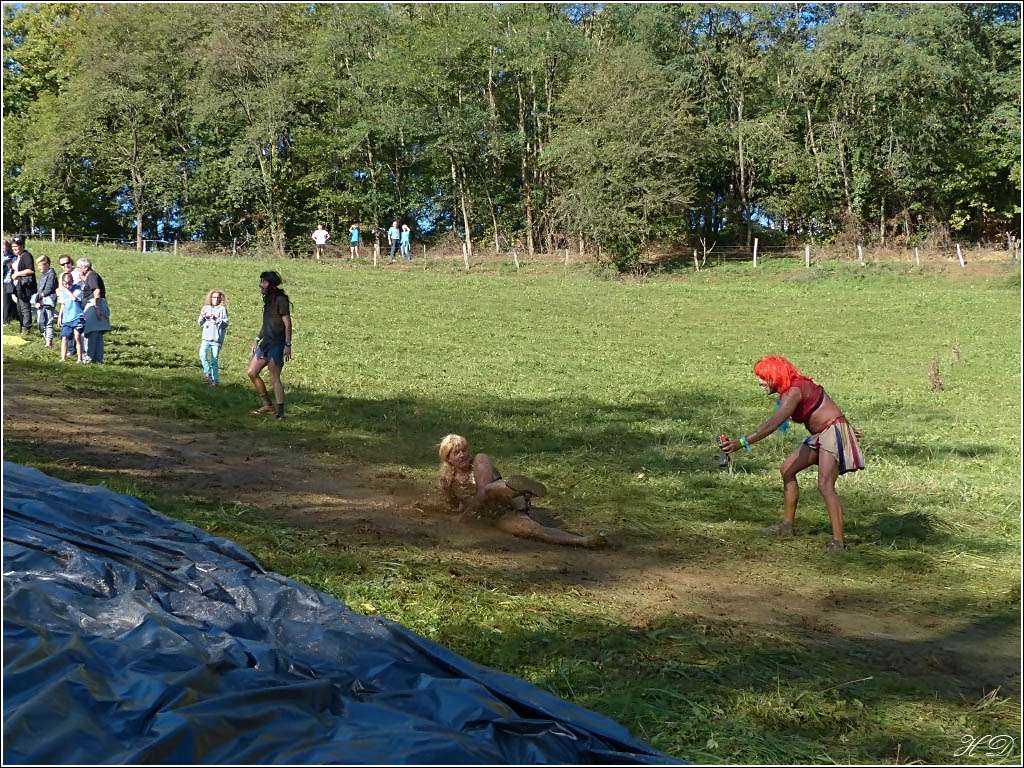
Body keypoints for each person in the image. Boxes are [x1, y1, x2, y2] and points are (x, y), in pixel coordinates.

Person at [720, 356, 864, 553]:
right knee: (787, 469)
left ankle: (838, 542)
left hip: (832, 432)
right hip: (822, 434)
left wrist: (741, 443)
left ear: (775, 376)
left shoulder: (794, 391)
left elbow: (772, 424)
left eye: (763, 377)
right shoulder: (790, 391)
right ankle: (787, 526)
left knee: (825, 485)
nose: (760, 382)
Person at [438, 434, 608, 548]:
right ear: (448, 458)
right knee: (532, 530)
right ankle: (584, 541)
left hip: (504, 502)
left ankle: (518, 489)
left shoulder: (479, 461)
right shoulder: (448, 480)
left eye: (464, 450)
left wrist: (465, 516)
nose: (462, 455)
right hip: (494, 516)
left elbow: (482, 492)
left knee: (487, 490)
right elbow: (454, 505)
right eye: (456, 453)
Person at [247, 270, 292, 420]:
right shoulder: (267, 300)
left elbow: (287, 323)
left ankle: (280, 413)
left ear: (271, 284)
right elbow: (267, 323)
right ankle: (268, 405)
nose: (261, 285)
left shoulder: (281, 299)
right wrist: (256, 338)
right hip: (265, 343)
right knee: (252, 372)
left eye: (263, 282)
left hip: (277, 344)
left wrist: (287, 344)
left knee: (274, 378)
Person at [77, 258, 109, 363]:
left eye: (79, 267)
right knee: (97, 334)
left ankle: (89, 357)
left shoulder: (92, 276)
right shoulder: (92, 276)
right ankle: (98, 359)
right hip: (97, 304)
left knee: (91, 332)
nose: (77, 269)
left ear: (85, 268)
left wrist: (97, 307)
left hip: (94, 305)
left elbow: (97, 291)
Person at [197, 289, 229, 386]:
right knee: (202, 354)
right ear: (210, 298)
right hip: (206, 338)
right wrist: (203, 316)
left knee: (214, 360)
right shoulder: (205, 308)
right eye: (214, 297)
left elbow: (226, 324)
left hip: (216, 339)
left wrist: (216, 319)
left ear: (221, 299)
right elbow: (199, 322)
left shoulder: (222, 309)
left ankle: (215, 381)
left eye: (218, 297)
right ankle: (207, 373)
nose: (216, 299)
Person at [10, 236, 37, 334]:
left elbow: (30, 270)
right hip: (18, 286)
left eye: (16, 247)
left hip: (25, 286)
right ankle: (22, 326)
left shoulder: (26, 255)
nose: (14, 249)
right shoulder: (17, 257)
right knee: (19, 308)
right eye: (13, 247)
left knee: (25, 307)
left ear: (22, 246)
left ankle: (26, 328)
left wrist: (17, 274)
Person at [56, 271, 85, 363]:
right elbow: (63, 304)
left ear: (72, 281)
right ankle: (63, 357)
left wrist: (65, 289)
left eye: (69, 283)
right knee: (64, 337)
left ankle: (79, 358)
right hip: (67, 318)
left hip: (77, 316)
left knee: (77, 336)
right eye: (65, 284)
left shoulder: (78, 289)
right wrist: (60, 316)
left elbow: (73, 298)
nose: (67, 285)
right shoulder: (63, 292)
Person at [33, 255, 58, 348]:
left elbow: (49, 288)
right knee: (40, 322)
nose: (39, 268)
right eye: (38, 266)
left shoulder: (51, 274)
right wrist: (37, 299)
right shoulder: (44, 274)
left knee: (48, 322)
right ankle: (46, 339)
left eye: (41, 265)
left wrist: (39, 297)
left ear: (47, 264)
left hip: (48, 301)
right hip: (41, 300)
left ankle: (49, 343)